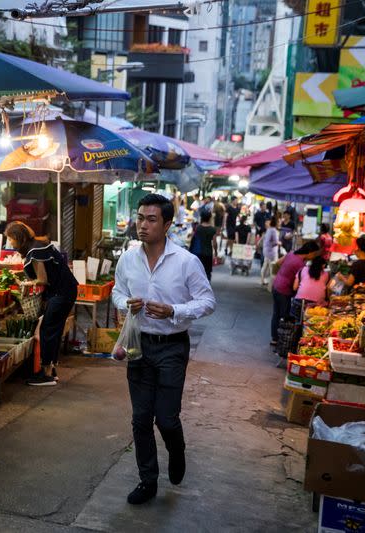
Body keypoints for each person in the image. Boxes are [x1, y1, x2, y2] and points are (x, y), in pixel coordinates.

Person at [112, 193, 216, 505]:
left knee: (166, 419)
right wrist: (125, 304)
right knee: (141, 418)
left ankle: (177, 450)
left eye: (151, 219)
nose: (142, 225)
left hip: (172, 346)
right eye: (140, 218)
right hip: (138, 344)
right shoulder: (128, 258)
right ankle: (148, 481)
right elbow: (118, 292)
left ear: (168, 224)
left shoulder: (186, 261)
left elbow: (208, 302)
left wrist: (174, 311)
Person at [5, 221, 77, 386]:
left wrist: (24, 284)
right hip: (65, 290)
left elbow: (42, 280)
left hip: (61, 293)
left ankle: (46, 376)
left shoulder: (35, 252)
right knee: (54, 329)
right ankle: (50, 370)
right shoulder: (38, 245)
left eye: (10, 239)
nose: (10, 243)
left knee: (48, 330)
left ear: (17, 237)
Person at [270, 241, 320, 345]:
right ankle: (282, 339)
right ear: (310, 252)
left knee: (276, 313)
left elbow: (278, 263)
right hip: (284, 289)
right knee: (284, 316)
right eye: (314, 254)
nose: (314, 256)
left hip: (276, 285)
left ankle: (274, 338)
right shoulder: (300, 264)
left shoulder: (291, 253)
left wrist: (284, 272)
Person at [189, 210, 217, 280]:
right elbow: (214, 243)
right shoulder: (212, 229)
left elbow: (192, 238)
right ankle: (207, 286)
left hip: (198, 253)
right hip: (208, 253)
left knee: (198, 271)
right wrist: (216, 252)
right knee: (207, 272)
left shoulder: (197, 228)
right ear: (210, 218)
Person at [257, 218, 280, 286]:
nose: (280, 223)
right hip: (272, 252)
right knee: (272, 269)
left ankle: (262, 280)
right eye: (278, 222)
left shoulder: (269, 230)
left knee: (265, 266)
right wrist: (279, 243)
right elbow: (275, 242)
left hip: (266, 251)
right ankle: (271, 285)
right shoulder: (274, 230)